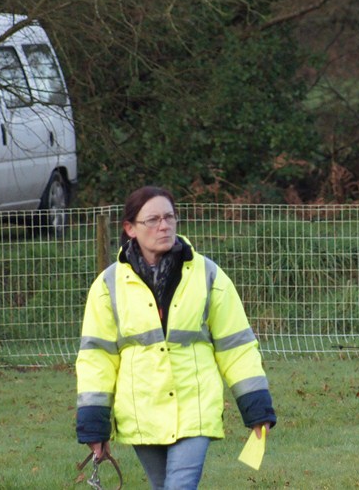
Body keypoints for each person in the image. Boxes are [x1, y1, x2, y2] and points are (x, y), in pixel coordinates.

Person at [76, 186, 276, 489]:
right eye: (153, 220)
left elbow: (237, 346)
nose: (164, 225)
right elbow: (96, 358)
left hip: (195, 407)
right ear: (130, 228)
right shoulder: (107, 285)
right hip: (141, 411)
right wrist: (94, 425)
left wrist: (256, 405)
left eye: (169, 217)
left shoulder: (208, 274)